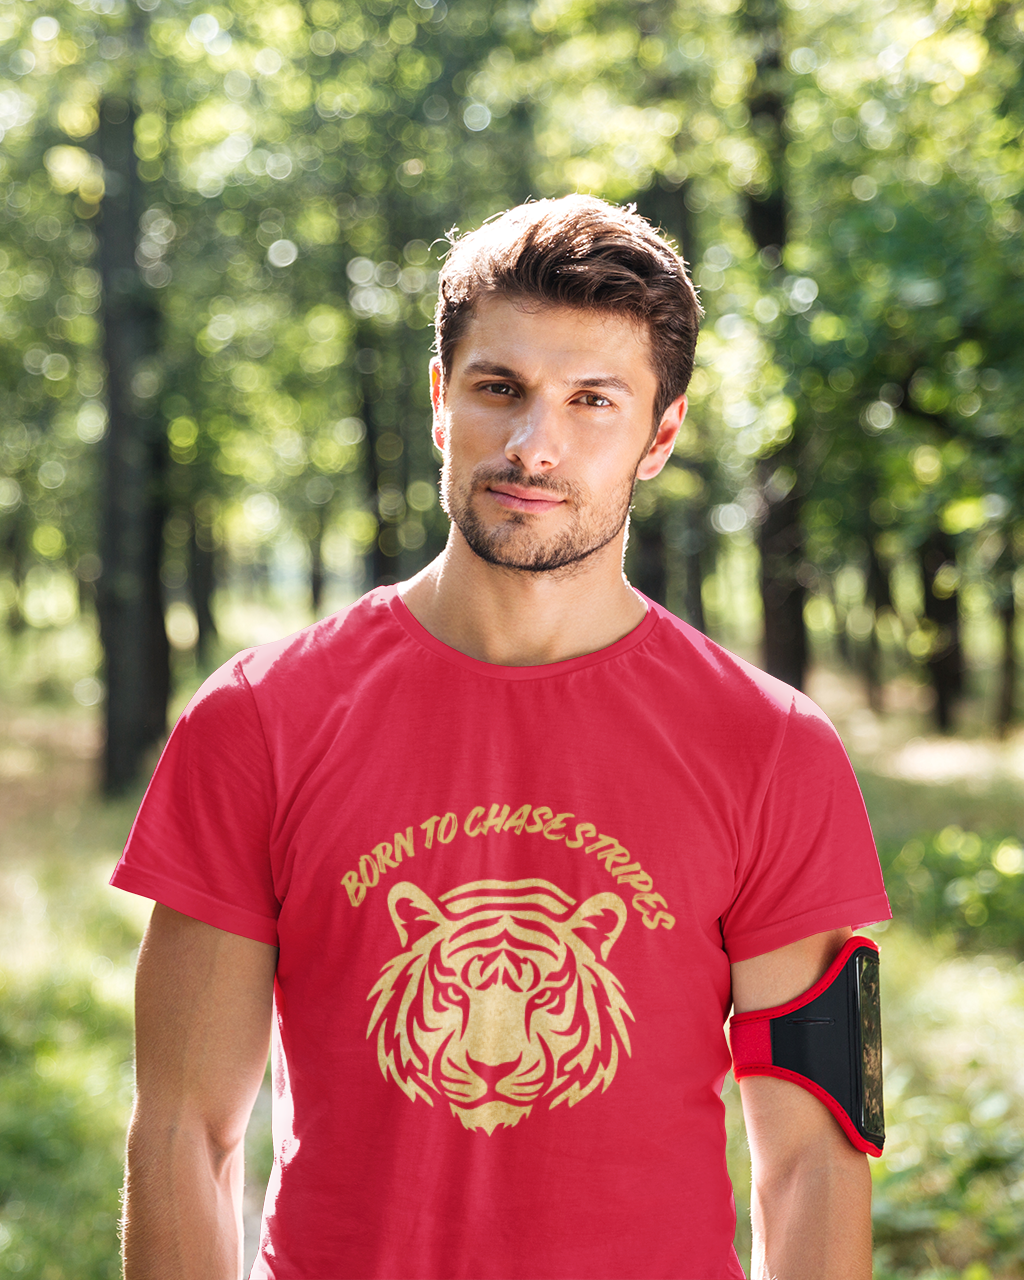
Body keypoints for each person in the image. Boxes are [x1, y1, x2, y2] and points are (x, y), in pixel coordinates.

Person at [112, 195, 891, 1280]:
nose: (535, 445)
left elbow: (813, 1160)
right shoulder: (259, 719)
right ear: (440, 400)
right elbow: (183, 1134)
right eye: (499, 389)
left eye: (592, 401)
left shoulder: (771, 748)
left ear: (660, 432)